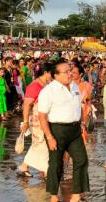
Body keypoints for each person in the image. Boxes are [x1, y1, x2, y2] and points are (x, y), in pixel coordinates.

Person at [38, 59, 89, 202]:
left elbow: (78, 106)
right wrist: (49, 137)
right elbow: (42, 116)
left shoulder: (74, 87)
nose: (70, 73)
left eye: (70, 70)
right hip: (56, 130)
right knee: (55, 164)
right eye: (66, 72)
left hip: (74, 130)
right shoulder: (48, 91)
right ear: (56, 75)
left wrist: (82, 123)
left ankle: (76, 194)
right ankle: (54, 196)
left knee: (82, 160)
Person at [18, 62, 52, 178]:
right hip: (37, 120)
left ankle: (25, 166)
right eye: (51, 72)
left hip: (45, 118)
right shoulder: (35, 85)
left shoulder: (45, 84)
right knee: (41, 143)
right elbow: (27, 105)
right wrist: (26, 121)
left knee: (40, 144)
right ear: (46, 72)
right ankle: (46, 170)